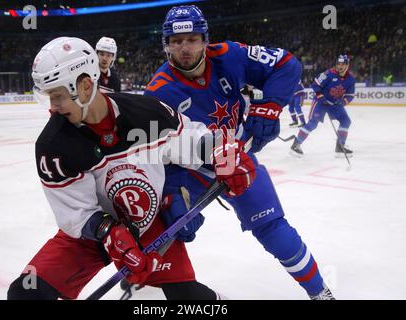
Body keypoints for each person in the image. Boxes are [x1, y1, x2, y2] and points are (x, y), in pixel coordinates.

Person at [7, 37, 255, 300]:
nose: (53, 107)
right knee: (25, 293)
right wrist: (108, 232)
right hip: (92, 235)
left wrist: (225, 155)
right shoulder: (54, 144)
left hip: (147, 225)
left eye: (57, 96)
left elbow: (192, 141)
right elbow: (77, 213)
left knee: (188, 298)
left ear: (85, 85)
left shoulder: (145, 113)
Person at [144, 5, 335, 300]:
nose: (184, 48)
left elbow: (287, 64)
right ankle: (157, 279)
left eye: (192, 39)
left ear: (205, 40)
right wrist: (171, 193)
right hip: (191, 169)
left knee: (271, 227)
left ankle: (319, 291)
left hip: (239, 160)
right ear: (166, 45)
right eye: (176, 41)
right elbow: (159, 152)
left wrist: (269, 105)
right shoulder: (159, 91)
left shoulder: (230, 55)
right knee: (159, 225)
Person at [291, 55, 355, 157]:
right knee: (313, 123)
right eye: (338, 64)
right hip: (321, 102)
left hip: (335, 104)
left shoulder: (350, 79)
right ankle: (296, 145)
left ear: (347, 65)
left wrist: (342, 102)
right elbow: (315, 85)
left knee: (346, 121)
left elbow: (350, 95)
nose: (340, 66)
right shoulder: (329, 74)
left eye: (343, 64)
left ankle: (340, 147)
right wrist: (321, 97)